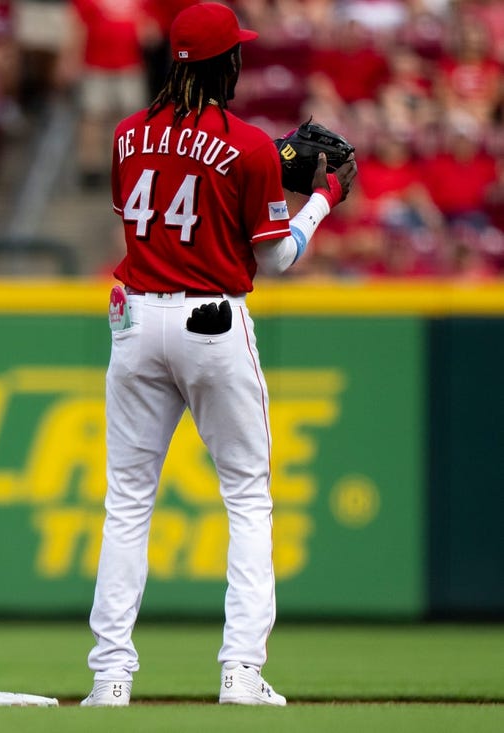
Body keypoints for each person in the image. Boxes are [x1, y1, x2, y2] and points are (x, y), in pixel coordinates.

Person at [81, 3, 356, 707]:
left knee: (128, 503)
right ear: (223, 63)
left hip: (136, 321)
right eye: (235, 52)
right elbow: (277, 255)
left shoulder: (126, 135)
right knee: (247, 497)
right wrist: (321, 197)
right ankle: (239, 671)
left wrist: (265, 172)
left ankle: (109, 677)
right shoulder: (251, 145)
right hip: (212, 324)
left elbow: (154, 209)